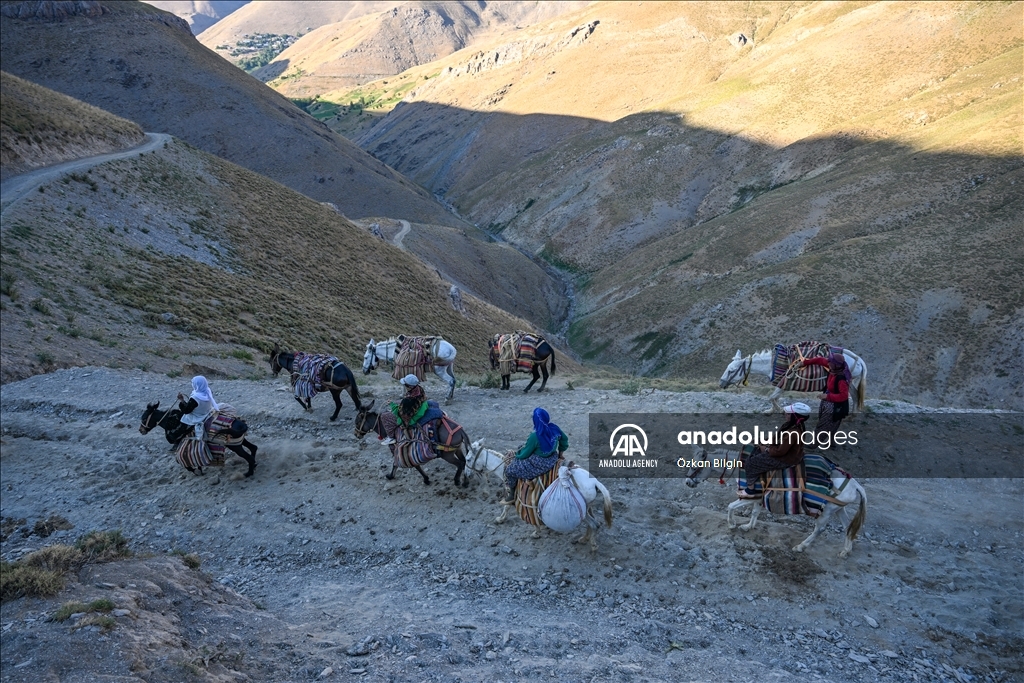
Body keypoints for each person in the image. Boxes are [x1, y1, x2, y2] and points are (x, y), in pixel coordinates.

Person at [738, 403, 810, 498]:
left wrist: (767, 449)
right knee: (756, 448)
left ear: (795, 417)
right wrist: (764, 440)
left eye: (788, 414)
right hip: (784, 452)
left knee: (751, 462)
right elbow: (778, 437)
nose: (785, 415)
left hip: (785, 458)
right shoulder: (791, 426)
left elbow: (780, 452)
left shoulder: (792, 432)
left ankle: (750, 490)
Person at [502, 408, 569, 505]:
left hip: (538, 463)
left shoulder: (535, 435)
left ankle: (512, 495)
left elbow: (525, 453)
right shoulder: (555, 429)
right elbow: (564, 440)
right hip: (552, 458)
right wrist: (560, 453)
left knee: (510, 470)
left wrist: (517, 454)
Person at [802, 353, 851, 438]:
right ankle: (831, 441)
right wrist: (805, 362)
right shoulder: (833, 368)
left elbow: (844, 396)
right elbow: (820, 360)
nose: (827, 363)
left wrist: (827, 396)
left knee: (824, 424)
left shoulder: (841, 379)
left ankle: (814, 443)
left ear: (836, 365)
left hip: (836, 405)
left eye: (830, 362)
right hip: (829, 400)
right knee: (831, 423)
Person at [177, 376, 219, 442]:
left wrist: (182, 400)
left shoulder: (195, 398)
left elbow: (186, 411)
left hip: (198, 416)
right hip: (208, 412)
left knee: (182, 420)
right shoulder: (208, 390)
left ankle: (181, 438)